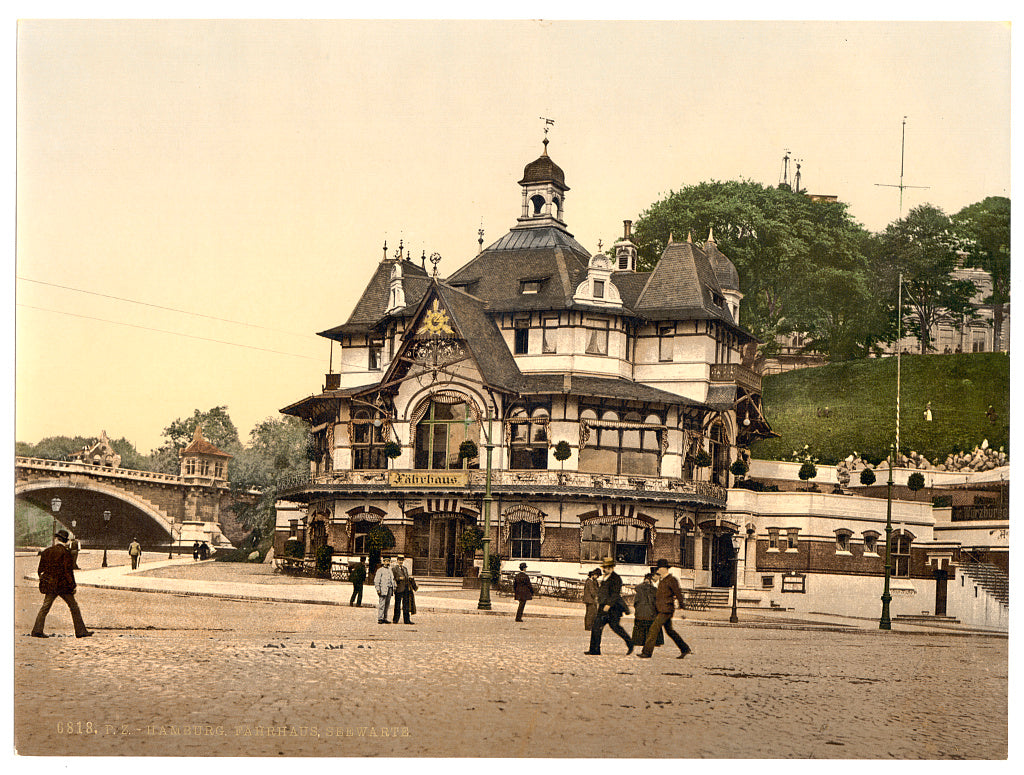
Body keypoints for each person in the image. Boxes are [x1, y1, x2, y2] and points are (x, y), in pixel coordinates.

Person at [31, 530, 93, 638]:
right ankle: (80, 631)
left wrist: (45, 579)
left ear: (56, 539)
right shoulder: (66, 553)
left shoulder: (47, 551)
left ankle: (37, 630)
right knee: (74, 607)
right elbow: (68, 571)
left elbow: (40, 570)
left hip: (51, 584)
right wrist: (73, 585)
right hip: (63, 586)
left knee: (45, 608)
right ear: (65, 541)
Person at [639, 559, 692, 659]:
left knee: (654, 629)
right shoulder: (663, 580)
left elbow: (678, 594)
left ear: (663, 569)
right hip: (661, 609)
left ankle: (647, 652)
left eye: (659, 568)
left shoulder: (672, 580)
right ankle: (685, 648)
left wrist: (682, 608)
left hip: (666, 610)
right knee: (670, 631)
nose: (658, 570)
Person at [585, 557, 633, 656]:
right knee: (596, 627)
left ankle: (630, 642)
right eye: (604, 567)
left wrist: (608, 604)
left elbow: (615, 594)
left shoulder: (616, 579)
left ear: (611, 568)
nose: (604, 570)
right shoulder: (605, 578)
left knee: (615, 627)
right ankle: (594, 650)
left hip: (613, 608)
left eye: (606, 568)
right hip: (603, 607)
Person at [631, 572, 663, 649]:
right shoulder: (653, 590)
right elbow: (655, 602)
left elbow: (635, 602)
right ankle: (656, 642)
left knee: (639, 626)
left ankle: (638, 641)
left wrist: (638, 609)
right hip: (650, 613)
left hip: (640, 613)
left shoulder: (639, 589)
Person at [391, 554, 414, 624]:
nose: (401, 561)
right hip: (398, 589)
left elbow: (406, 577)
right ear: (397, 560)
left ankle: (407, 620)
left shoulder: (405, 568)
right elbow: (392, 578)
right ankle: (395, 619)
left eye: (402, 560)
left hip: (406, 589)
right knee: (397, 605)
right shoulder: (394, 569)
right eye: (399, 560)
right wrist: (398, 578)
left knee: (406, 605)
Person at [374, 557, 395, 624]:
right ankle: (380, 618)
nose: (387, 562)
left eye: (389, 561)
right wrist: (378, 589)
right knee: (382, 604)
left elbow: (392, 579)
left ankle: (385, 618)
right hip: (383, 589)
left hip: (389, 589)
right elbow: (376, 581)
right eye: (386, 561)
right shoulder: (380, 570)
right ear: (383, 562)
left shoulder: (390, 570)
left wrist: (393, 587)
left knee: (387, 604)